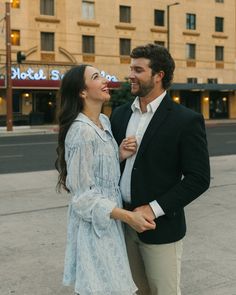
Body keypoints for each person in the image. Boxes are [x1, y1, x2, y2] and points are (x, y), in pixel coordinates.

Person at [110, 44, 210, 295]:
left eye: (138, 69)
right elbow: (109, 168)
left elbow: (199, 178)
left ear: (159, 76)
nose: (130, 75)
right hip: (123, 226)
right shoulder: (120, 115)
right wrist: (117, 155)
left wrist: (153, 210)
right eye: (130, 68)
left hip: (161, 229)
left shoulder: (185, 120)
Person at [55, 64, 156, 295]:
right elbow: (82, 198)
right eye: (96, 77)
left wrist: (118, 154)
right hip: (94, 229)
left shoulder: (104, 121)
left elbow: (100, 172)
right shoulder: (82, 132)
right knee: (100, 288)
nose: (104, 80)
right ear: (82, 91)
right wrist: (128, 216)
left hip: (111, 223)